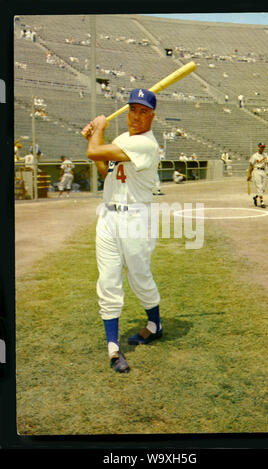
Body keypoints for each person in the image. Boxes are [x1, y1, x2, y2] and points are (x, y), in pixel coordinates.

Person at [82, 88, 162, 374]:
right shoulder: (122, 140)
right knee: (108, 280)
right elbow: (106, 170)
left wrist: (97, 131)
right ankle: (113, 348)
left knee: (139, 276)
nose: (137, 116)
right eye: (133, 109)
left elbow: (93, 152)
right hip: (109, 216)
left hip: (136, 219)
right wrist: (94, 135)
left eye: (144, 111)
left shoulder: (147, 145)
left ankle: (155, 324)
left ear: (152, 116)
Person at [247, 143, 268, 208]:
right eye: (261, 147)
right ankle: (262, 202)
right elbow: (251, 166)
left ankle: (255, 197)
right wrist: (249, 175)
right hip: (256, 171)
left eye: (263, 147)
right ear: (258, 147)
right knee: (259, 187)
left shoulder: (265, 155)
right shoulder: (254, 156)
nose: (262, 148)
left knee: (263, 189)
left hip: (263, 171)